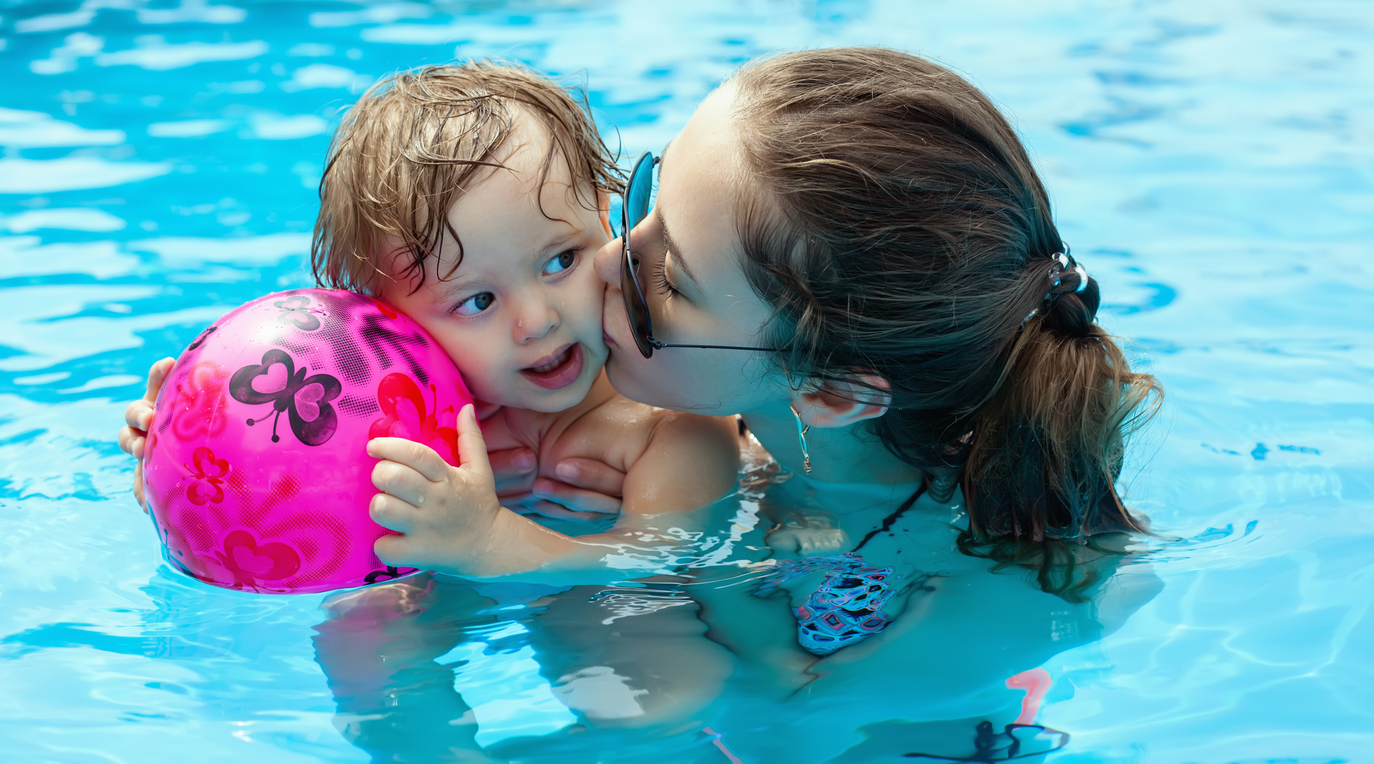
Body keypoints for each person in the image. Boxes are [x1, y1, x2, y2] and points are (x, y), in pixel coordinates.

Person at [118, 61, 742, 584]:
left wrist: (489, 539)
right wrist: (178, 462)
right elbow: (269, 495)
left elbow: (668, 560)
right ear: (389, 325)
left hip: (644, 606)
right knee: (362, 635)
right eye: (477, 302)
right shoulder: (395, 428)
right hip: (475, 590)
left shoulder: (673, 416)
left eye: (560, 260)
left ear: (608, 229)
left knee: (654, 686)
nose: (536, 321)